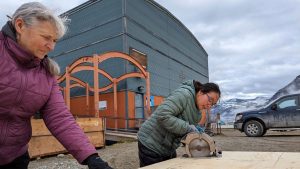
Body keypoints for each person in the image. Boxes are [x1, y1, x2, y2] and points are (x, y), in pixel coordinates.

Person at [0, 2, 112, 169]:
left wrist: (91, 157)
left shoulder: (46, 73)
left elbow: (59, 117)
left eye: (54, 40)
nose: (51, 47)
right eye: (46, 37)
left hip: (15, 157)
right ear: (20, 25)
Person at [137, 80, 220, 167]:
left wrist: (195, 131)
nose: (209, 105)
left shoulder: (198, 112)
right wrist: (188, 128)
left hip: (168, 147)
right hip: (151, 142)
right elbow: (163, 115)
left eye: (213, 104)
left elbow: (183, 127)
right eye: (210, 100)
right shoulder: (184, 94)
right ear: (201, 91)